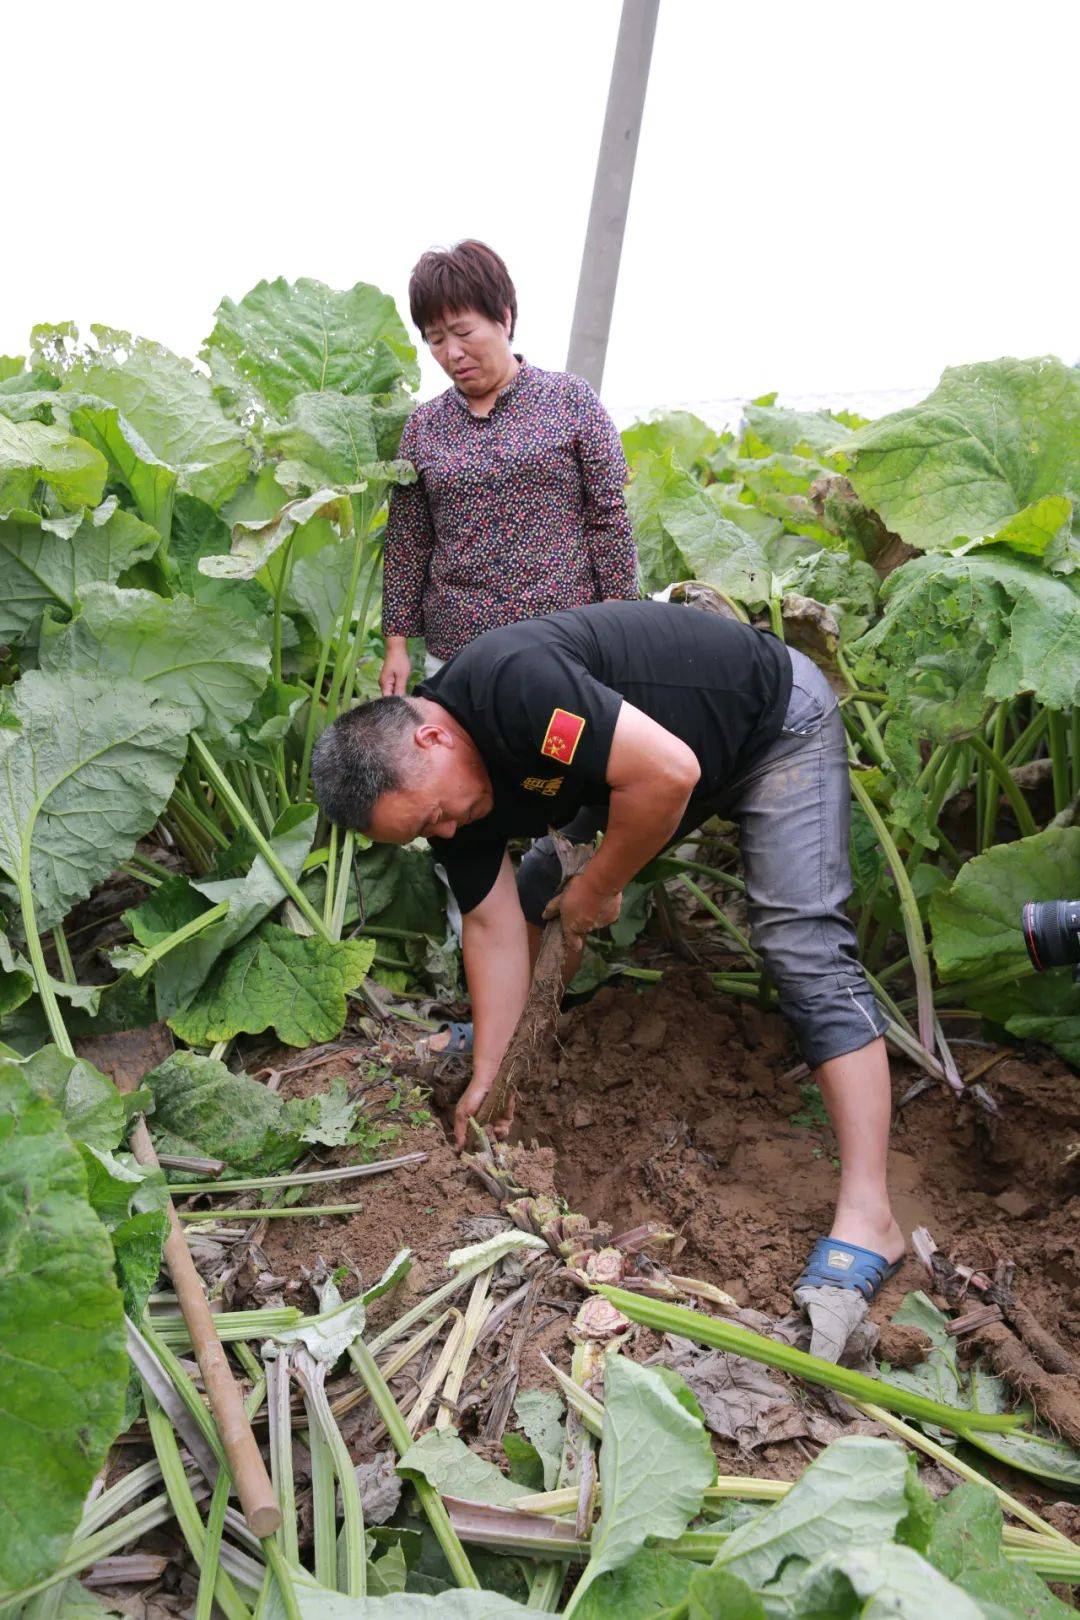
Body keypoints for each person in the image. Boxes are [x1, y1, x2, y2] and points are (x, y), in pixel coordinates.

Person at [312, 599, 904, 1301]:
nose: (441, 834)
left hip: (770, 724)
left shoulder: (515, 688)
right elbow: (494, 925)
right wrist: (494, 1077)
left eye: (434, 816)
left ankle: (872, 1216)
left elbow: (667, 775)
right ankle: (508, 1041)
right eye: (422, 833)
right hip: (660, 760)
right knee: (535, 890)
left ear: (432, 739)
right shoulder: (453, 805)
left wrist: (599, 884)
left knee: (800, 944)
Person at [379, 239, 637, 695]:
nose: (452, 353)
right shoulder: (424, 426)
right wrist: (396, 644)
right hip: (457, 650)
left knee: (566, 763)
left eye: (463, 332)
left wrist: (618, 625)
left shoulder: (570, 401)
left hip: (564, 638)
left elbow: (608, 518)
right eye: (436, 340)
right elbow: (408, 542)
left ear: (504, 317)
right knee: (473, 764)